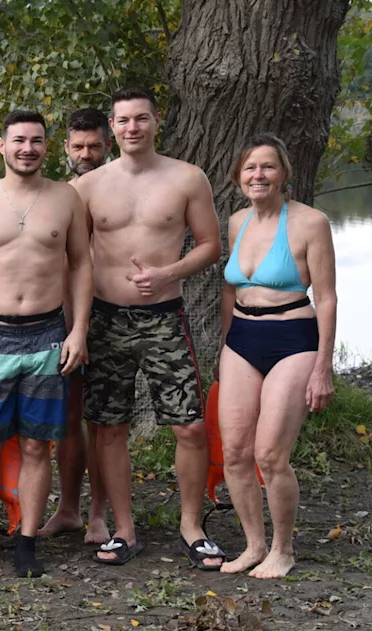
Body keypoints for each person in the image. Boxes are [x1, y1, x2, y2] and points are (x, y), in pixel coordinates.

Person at [73, 88, 223, 568]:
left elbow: (210, 245)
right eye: (123, 120)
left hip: (164, 318)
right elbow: (71, 258)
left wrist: (166, 273)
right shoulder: (87, 187)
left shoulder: (186, 178)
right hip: (105, 319)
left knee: (191, 427)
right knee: (107, 428)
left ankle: (192, 526)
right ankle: (123, 529)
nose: (132, 127)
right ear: (111, 128)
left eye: (141, 118)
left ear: (156, 122)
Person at [0, 110, 92, 578]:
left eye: (38, 141)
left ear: (49, 147)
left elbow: (82, 265)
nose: (29, 148)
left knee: (35, 445)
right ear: (1, 145)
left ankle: (26, 542)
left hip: (47, 334)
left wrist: (78, 330)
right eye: (19, 140)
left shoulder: (65, 198)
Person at [217, 134, 336, 578]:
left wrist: (323, 367)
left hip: (293, 340)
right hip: (242, 341)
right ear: (238, 176)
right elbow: (231, 288)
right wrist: (227, 343)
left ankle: (282, 550)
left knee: (269, 455)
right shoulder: (235, 221)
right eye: (250, 168)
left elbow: (326, 298)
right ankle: (253, 545)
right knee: (234, 452)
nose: (258, 175)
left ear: (284, 174)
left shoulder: (311, 223)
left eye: (267, 167)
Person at [38, 108, 111, 544]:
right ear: (64, 148)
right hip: (62, 320)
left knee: (102, 420)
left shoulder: (118, 190)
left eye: (95, 146)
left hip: (109, 316)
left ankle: (99, 513)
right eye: (78, 146)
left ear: (108, 146)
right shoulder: (55, 195)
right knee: (65, 418)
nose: (86, 154)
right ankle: (67, 508)